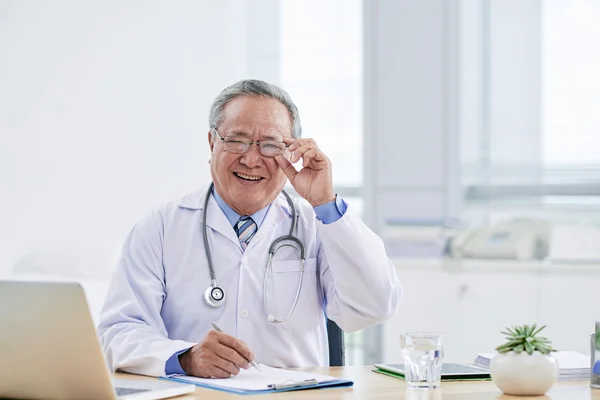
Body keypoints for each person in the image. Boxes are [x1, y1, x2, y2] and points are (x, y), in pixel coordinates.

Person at [97, 79, 401, 378]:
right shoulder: (161, 227)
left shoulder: (316, 225)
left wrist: (325, 202)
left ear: (291, 153)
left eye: (270, 146)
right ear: (212, 142)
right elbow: (119, 332)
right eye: (237, 140)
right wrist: (186, 358)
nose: (252, 159)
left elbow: (374, 306)